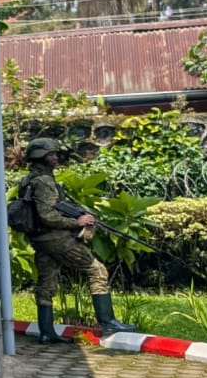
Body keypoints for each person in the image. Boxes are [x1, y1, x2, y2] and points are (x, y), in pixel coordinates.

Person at [20, 137, 138, 342]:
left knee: (46, 284)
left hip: (41, 240)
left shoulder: (29, 179)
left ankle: (47, 333)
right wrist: (77, 222)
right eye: (52, 154)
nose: (56, 157)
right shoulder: (44, 182)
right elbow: (47, 215)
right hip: (57, 239)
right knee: (97, 270)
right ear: (41, 156)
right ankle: (108, 322)